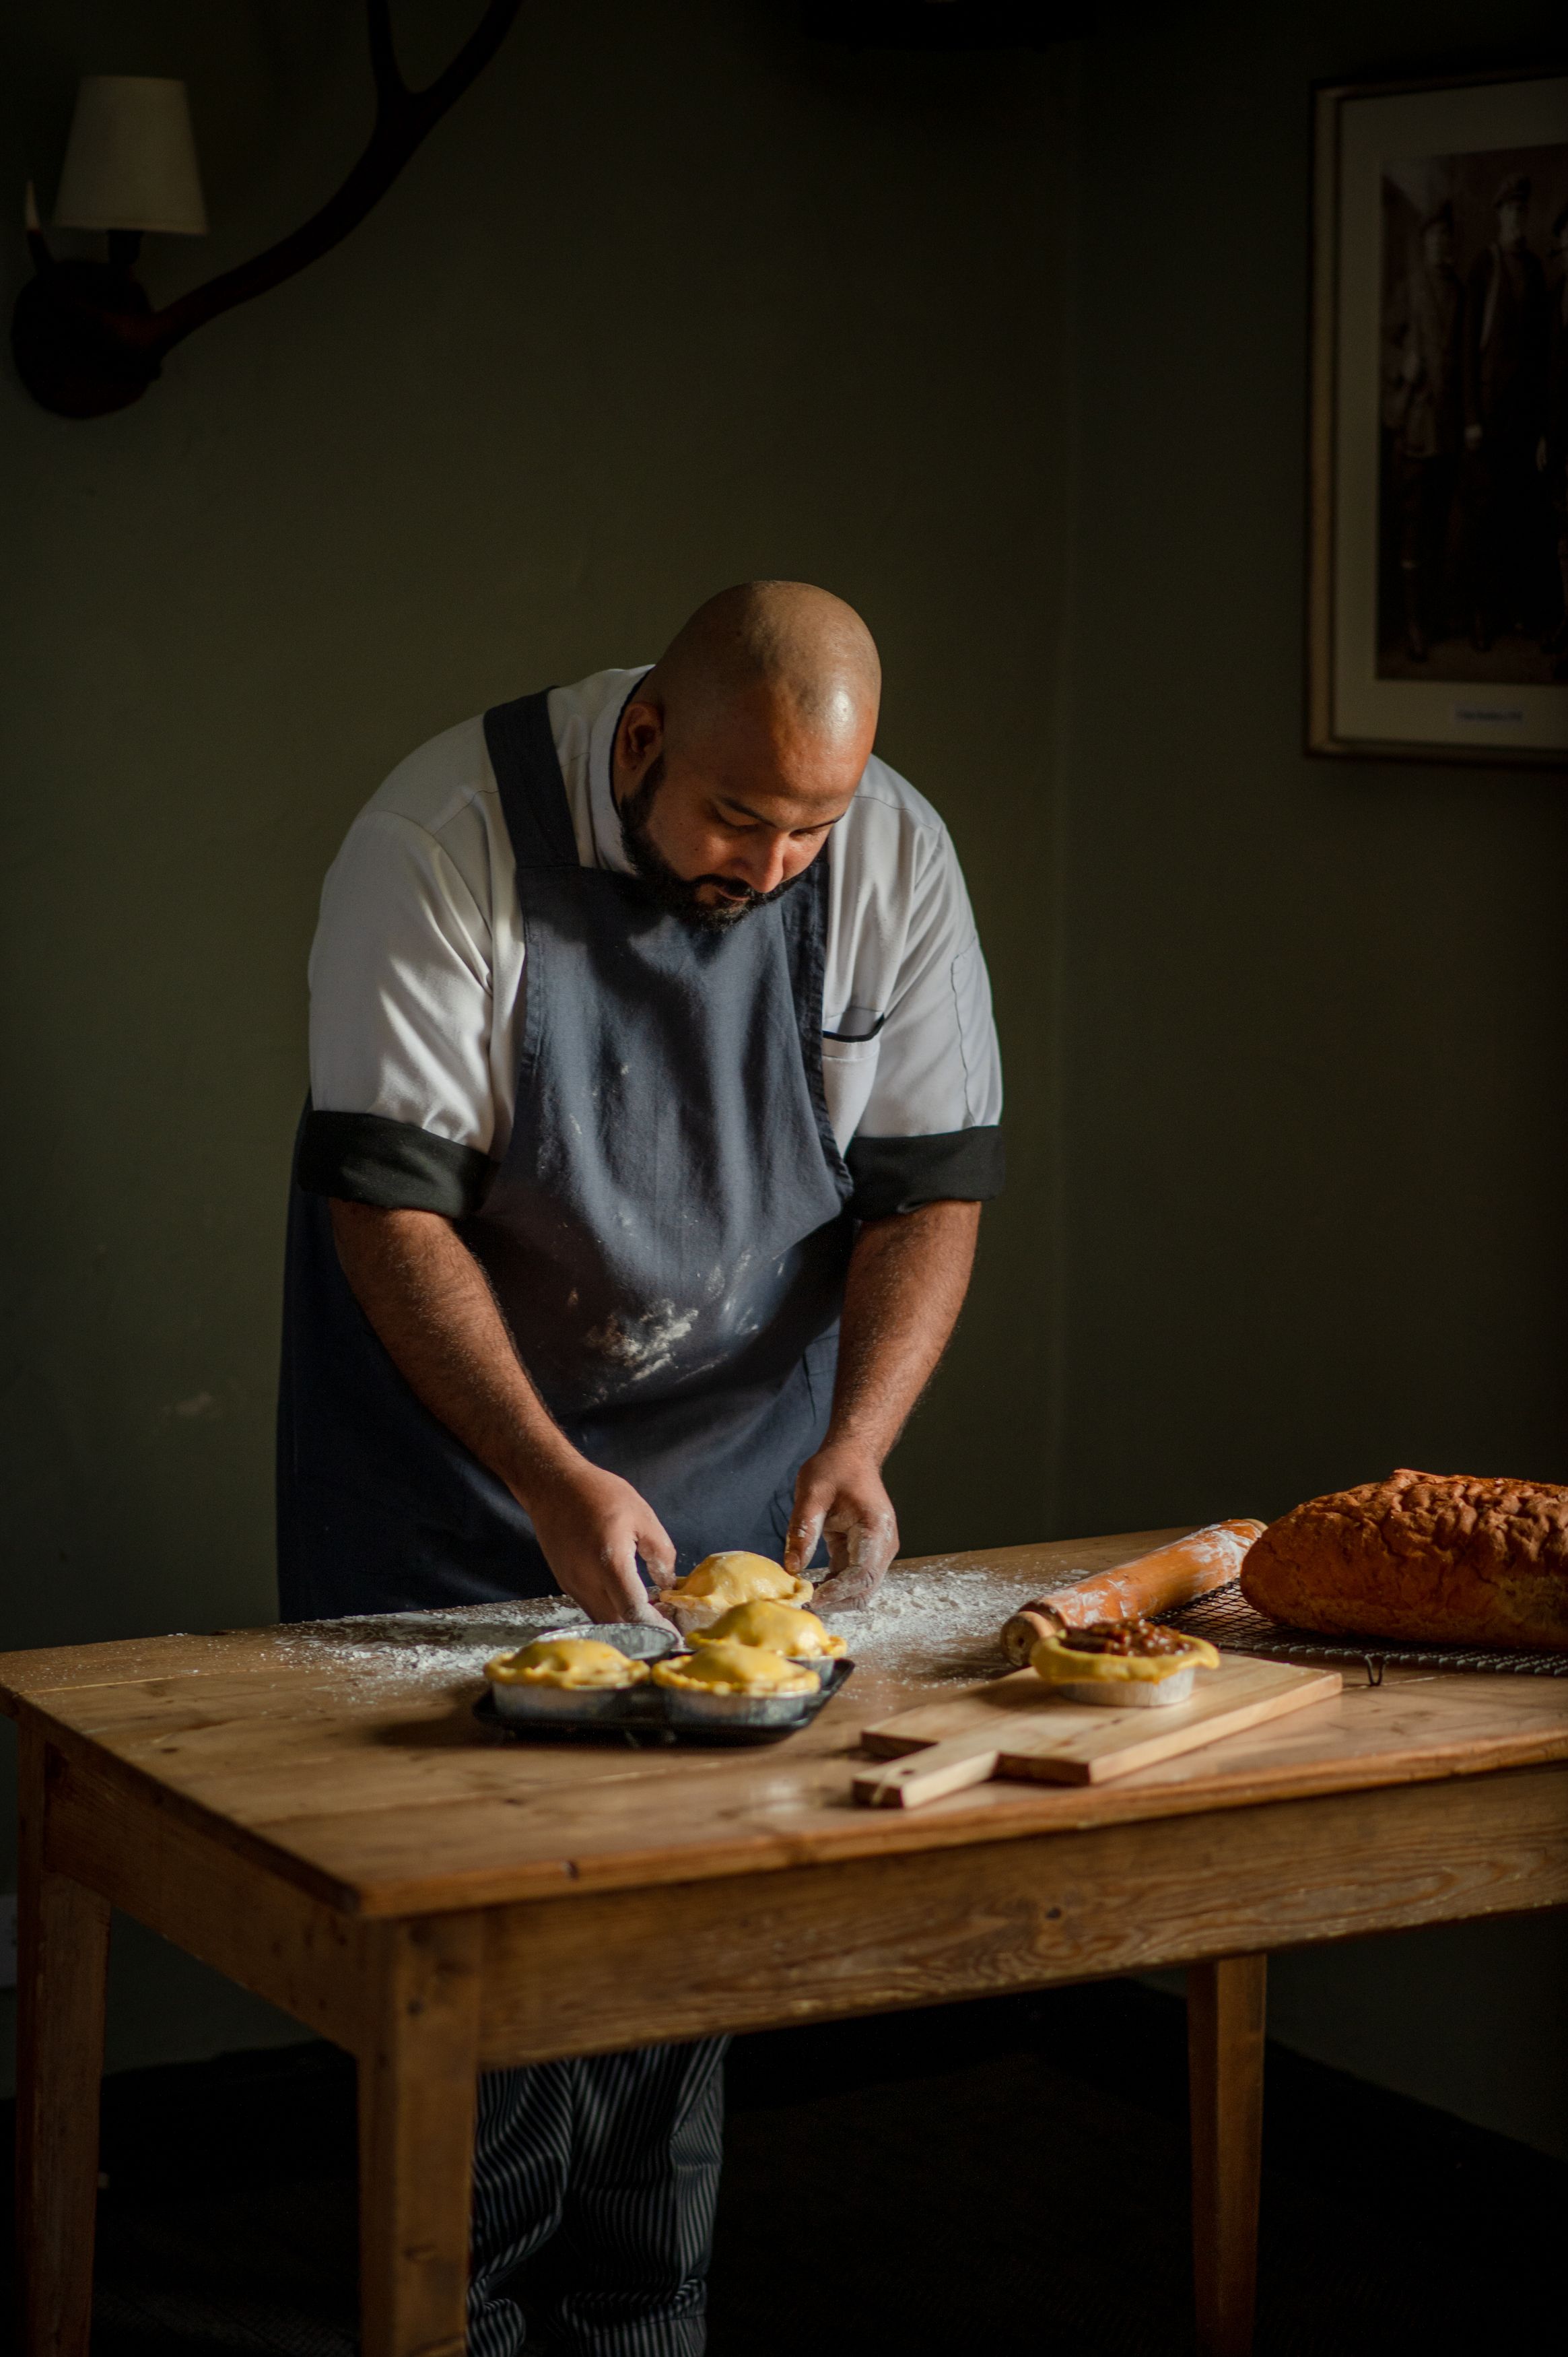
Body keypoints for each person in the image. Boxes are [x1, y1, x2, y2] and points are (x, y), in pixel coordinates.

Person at [278, 580, 1004, 2352]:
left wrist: (858, 1435)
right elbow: (384, 1207)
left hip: (732, 1474)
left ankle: (636, 2324)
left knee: (670, 1954)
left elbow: (930, 1188)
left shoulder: (891, 855)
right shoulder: (440, 836)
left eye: (809, 826)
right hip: (459, 1470)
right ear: (643, 738)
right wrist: (537, 1464)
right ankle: (458, 2319)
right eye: (736, 819)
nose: (769, 863)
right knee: (486, 1967)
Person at [1460, 171, 1549, 648]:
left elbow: (1542, 358)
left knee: (1521, 515)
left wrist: (1542, 429)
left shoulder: (1534, 269)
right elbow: (1465, 351)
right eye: (1510, 210)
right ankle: (1481, 614)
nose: (1517, 217)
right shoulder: (1484, 266)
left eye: (1522, 210)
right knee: (1483, 517)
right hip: (1488, 418)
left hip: (1524, 419)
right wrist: (1471, 419)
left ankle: (1519, 612)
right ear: (1498, 215)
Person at [1383, 200, 1464, 659]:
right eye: (1433, 236)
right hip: (1414, 428)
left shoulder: (1457, 290)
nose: (1441, 242)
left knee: (1438, 527)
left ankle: (1430, 613)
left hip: (1447, 432)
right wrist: (1402, 363)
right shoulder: (1408, 289)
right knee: (1413, 528)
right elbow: (1379, 339)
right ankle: (1412, 621)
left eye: (1446, 235)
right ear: (1423, 241)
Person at [1541, 199, 1568, 675]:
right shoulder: (1558, 294)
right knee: (1563, 535)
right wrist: (1546, 436)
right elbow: (1549, 375)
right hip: (1561, 433)